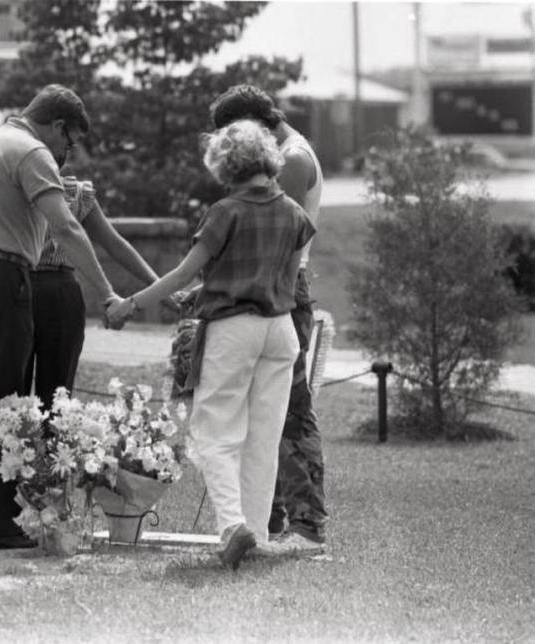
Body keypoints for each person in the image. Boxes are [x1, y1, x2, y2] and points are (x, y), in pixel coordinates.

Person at [107, 119, 314, 569]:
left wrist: (131, 304)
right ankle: (256, 533)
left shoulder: (225, 212)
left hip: (233, 329)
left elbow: (184, 273)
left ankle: (232, 527)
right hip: (280, 331)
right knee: (263, 439)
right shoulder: (295, 213)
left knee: (214, 433)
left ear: (226, 163)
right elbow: (284, 278)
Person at [0, 84, 123, 551]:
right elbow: (65, 225)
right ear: (57, 126)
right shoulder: (32, 152)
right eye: (70, 141)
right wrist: (105, 294)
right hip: (1, 279)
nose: (66, 153)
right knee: (4, 402)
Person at [209, 85, 328, 554]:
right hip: (269, 285)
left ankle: (306, 523)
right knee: (261, 408)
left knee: (291, 409)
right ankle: (267, 516)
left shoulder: (293, 159)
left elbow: (277, 236)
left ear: (253, 124)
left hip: (281, 287)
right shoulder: (276, 154)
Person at [24, 174, 159, 409]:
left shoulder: (77, 193)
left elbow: (115, 244)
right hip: (18, 284)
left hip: (60, 288)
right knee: (11, 386)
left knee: (57, 393)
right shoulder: (17, 182)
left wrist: (159, 286)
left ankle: (54, 442)